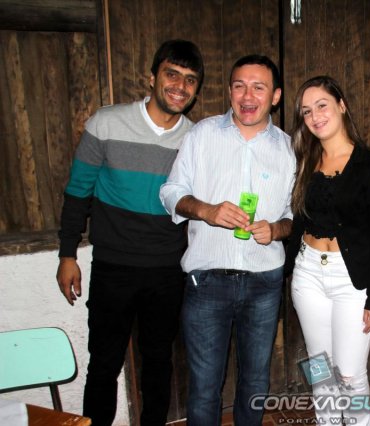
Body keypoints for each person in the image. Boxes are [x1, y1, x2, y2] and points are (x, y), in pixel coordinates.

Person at [56, 40, 204, 426]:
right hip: (113, 266)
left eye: (190, 80)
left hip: (167, 269)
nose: (180, 86)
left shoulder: (196, 139)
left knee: (158, 361)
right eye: (172, 74)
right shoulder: (106, 123)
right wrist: (67, 254)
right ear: (152, 77)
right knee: (104, 364)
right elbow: (78, 191)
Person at [159, 54, 295, 426]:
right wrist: (206, 210)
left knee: (255, 382)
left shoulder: (289, 148)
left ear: (275, 96)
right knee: (204, 386)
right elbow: (170, 191)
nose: (247, 96)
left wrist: (276, 229)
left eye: (258, 87)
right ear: (230, 91)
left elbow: (293, 216)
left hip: (264, 281)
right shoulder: (202, 135)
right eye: (239, 86)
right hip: (207, 281)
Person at [284, 76, 370, 425]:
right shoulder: (305, 160)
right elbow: (298, 221)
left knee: (349, 374)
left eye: (322, 106)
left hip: (352, 280)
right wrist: (287, 269)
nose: (315, 116)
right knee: (320, 369)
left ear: (341, 105)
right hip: (308, 274)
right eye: (306, 111)